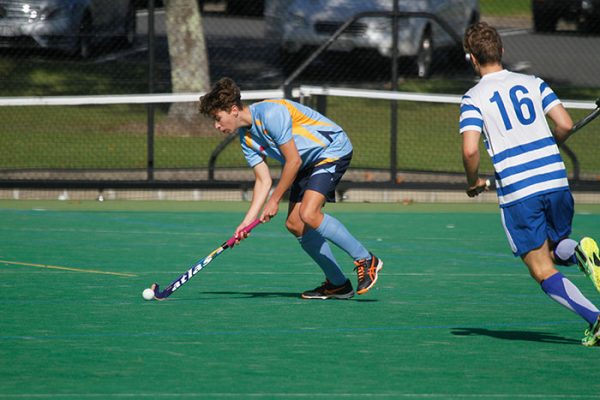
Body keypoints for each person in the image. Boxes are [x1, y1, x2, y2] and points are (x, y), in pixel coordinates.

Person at [459, 22, 600, 346]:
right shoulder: (533, 83)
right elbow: (564, 124)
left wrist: (473, 182)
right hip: (555, 179)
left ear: (472, 59)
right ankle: (581, 251)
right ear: (502, 51)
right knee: (554, 246)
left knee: (541, 268)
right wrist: (549, 143)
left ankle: (596, 319)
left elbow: (469, 149)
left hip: (521, 192)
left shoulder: (473, 97)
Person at [199, 77, 383, 299]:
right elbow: (263, 181)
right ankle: (338, 285)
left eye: (218, 118)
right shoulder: (246, 139)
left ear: (234, 110)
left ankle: (366, 259)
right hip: (307, 162)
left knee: (309, 213)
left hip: (331, 150)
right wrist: (246, 222)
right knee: (295, 224)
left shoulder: (270, 114)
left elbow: (292, 161)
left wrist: (274, 200)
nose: (217, 126)